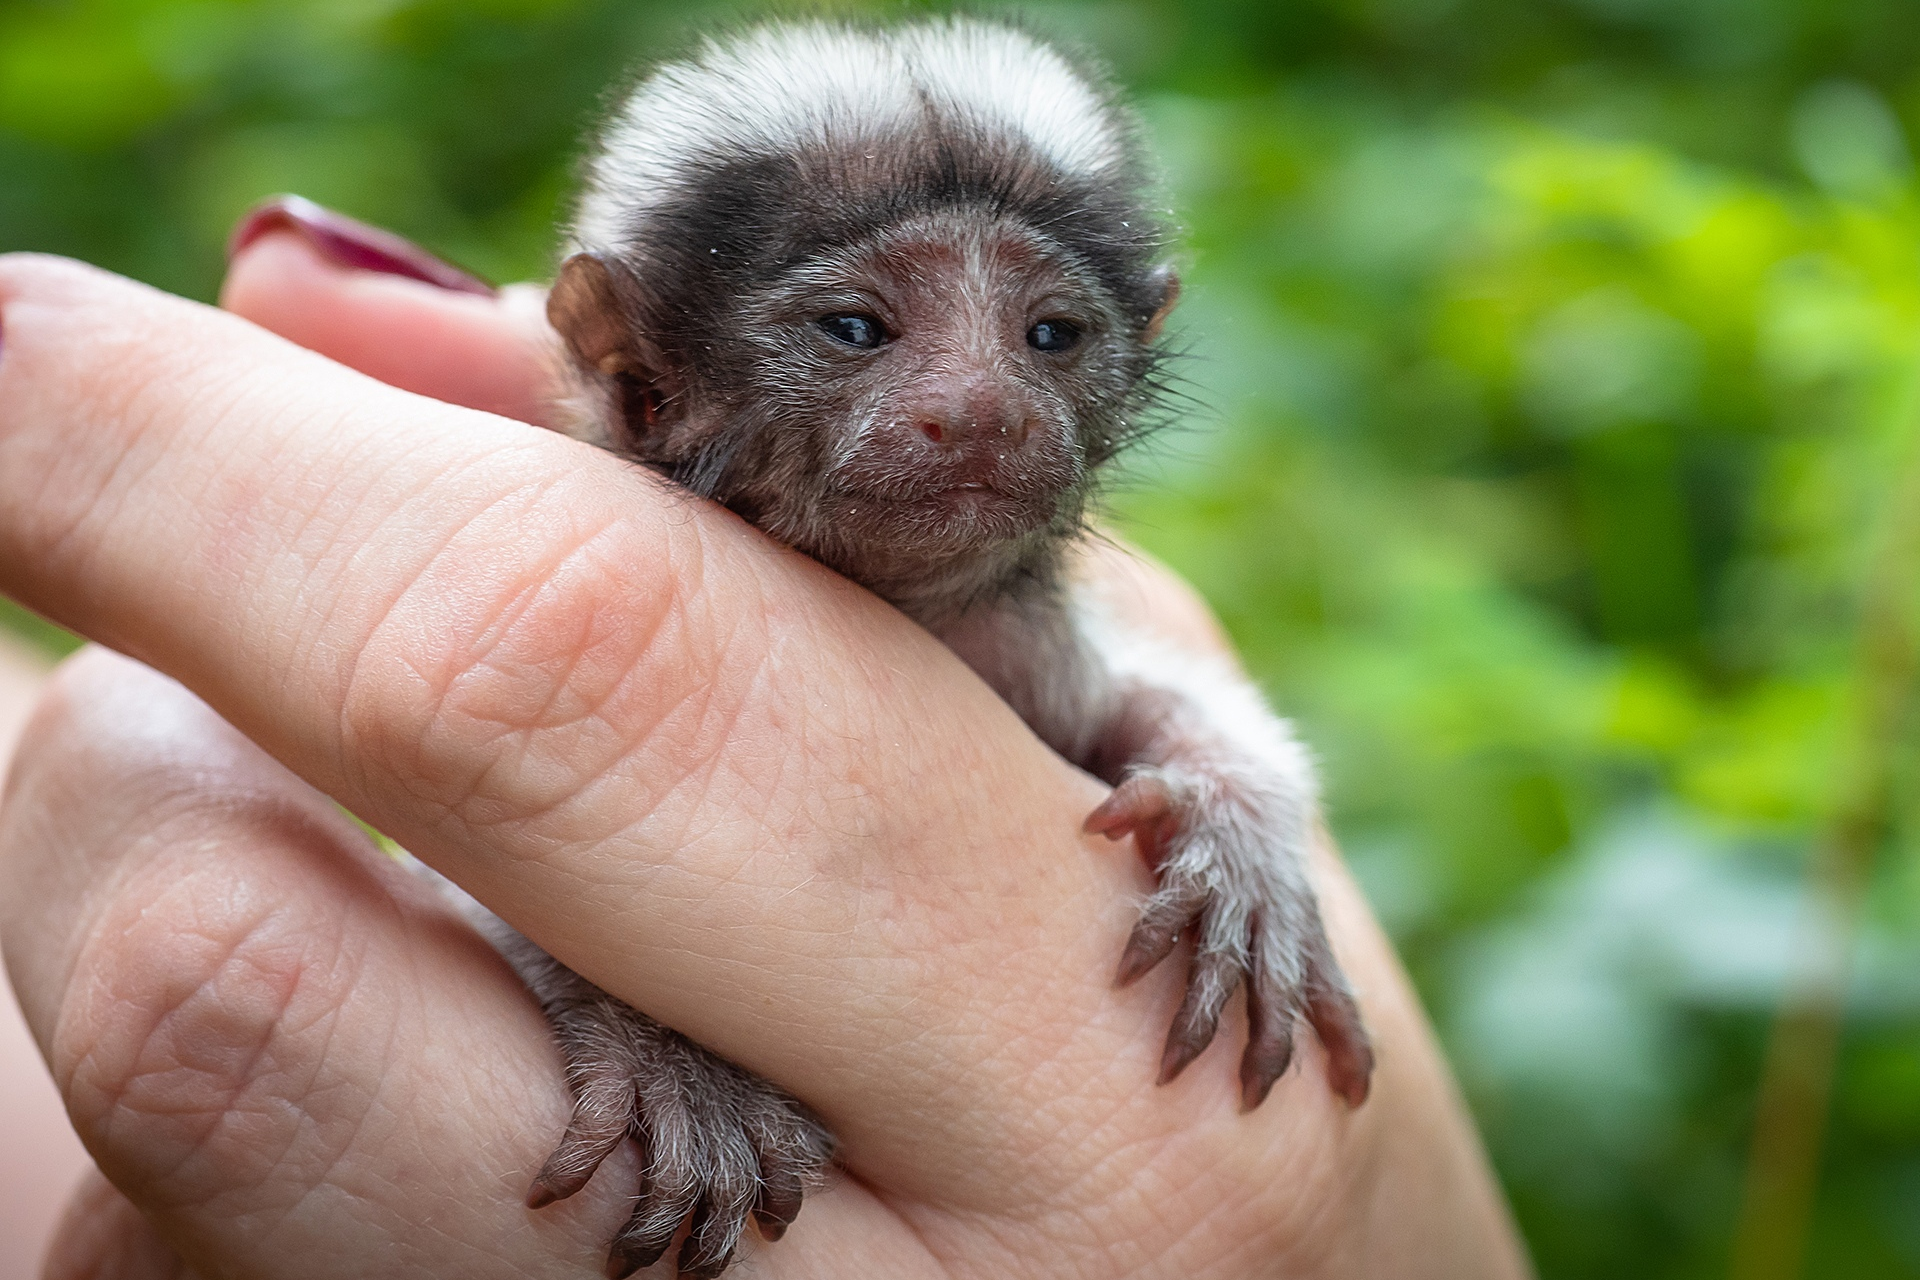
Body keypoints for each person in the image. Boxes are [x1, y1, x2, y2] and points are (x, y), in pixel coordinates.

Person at [0, 219, 1534, 1279]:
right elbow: (474, 894)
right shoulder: (574, 573)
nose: (980, 406)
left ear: (1139, 356)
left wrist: (1236, 815)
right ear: (641, 371)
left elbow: (1161, 702)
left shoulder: (1043, 622)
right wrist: (631, 1021)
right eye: (856, 327)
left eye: (1053, 334)